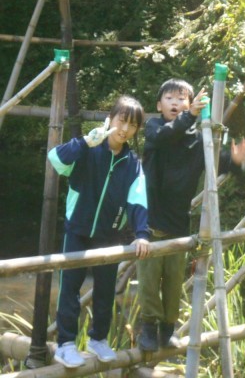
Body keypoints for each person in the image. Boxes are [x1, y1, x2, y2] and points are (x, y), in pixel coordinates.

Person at [137, 78, 245, 351]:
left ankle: (168, 328)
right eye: (169, 99)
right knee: (149, 280)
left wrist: (236, 161)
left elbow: (219, 163)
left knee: (174, 282)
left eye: (181, 99)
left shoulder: (199, 140)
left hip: (178, 224)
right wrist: (189, 116)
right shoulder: (154, 128)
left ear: (189, 104)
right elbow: (165, 136)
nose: (175, 103)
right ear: (159, 105)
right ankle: (148, 327)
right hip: (149, 222)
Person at [48, 96, 151, 368]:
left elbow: (138, 200)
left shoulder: (132, 163)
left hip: (109, 235)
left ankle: (98, 339)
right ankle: (65, 344)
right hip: (77, 230)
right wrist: (84, 142)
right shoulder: (87, 149)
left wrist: (142, 234)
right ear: (110, 119)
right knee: (70, 288)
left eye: (132, 125)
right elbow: (55, 159)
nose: (125, 129)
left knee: (105, 290)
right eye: (121, 121)